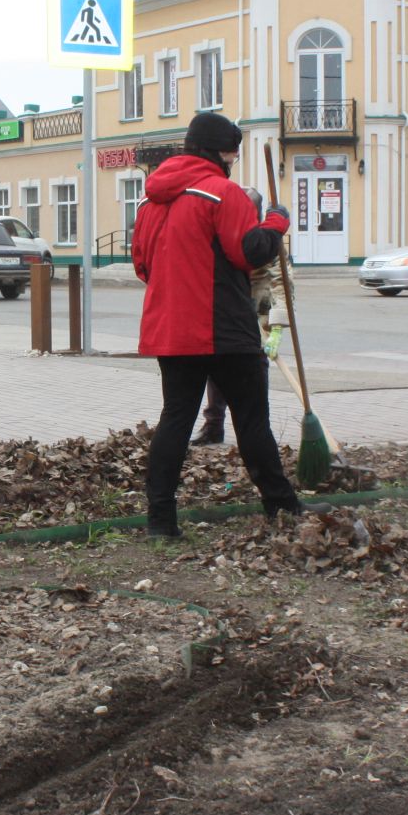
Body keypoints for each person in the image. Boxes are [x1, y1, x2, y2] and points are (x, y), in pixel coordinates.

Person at [134, 112, 301, 538]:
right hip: (225, 327)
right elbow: (250, 252)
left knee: (175, 420)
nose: (234, 160)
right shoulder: (222, 193)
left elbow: (142, 266)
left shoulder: (151, 203)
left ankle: (160, 522)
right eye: (232, 152)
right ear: (219, 152)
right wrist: (276, 223)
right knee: (251, 421)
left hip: (171, 329)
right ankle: (282, 507)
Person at [192, 216, 291, 445]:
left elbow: (283, 285)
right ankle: (214, 424)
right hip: (227, 310)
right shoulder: (224, 232)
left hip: (258, 309)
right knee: (217, 363)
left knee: (255, 365)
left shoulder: (268, 241)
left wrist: (277, 327)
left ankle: (259, 429)